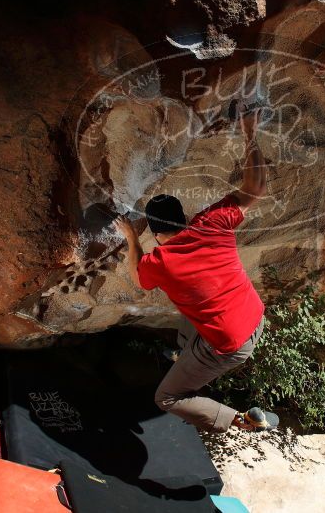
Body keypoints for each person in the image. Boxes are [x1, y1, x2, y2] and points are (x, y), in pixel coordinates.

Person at [113, 104, 269, 433]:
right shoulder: (212, 222)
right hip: (254, 315)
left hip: (229, 345)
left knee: (167, 397)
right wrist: (249, 131)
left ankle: (240, 420)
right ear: (184, 219)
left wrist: (130, 237)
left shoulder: (160, 262)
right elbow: (255, 189)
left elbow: (139, 277)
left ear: (156, 236)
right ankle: (186, 354)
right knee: (187, 309)